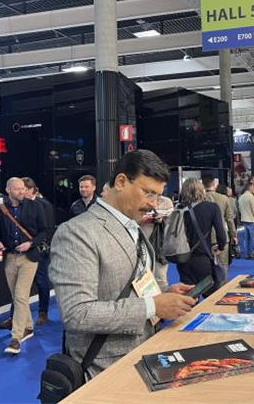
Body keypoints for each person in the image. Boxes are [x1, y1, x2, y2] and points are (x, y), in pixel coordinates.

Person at [50, 150, 195, 376]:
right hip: (104, 367)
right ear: (121, 182)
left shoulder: (133, 226)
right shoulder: (76, 232)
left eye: (158, 196)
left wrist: (163, 294)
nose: (153, 204)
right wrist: (153, 306)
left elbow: (130, 284)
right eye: (148, 193)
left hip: (146, 354)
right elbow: (77, 313)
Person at [0, 177, 48, 354]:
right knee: (17, 297)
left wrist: (30, 244)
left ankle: (16, 338)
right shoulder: (0, 209)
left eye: (23, 188)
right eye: (17, 189)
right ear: (8, 190)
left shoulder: (35, 206)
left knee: (21, 296)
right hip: (9, 258)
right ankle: (29, 327)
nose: (21, 191)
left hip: (29, 258)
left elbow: (44, 231)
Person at [177, 178, 227, 296]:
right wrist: (220, 247)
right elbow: (221, 234)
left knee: (189, 298)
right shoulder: (212, 207)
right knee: (211, 297)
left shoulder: (179, 209)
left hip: (183, 259)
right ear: (201, 190)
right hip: (204, 258)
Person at [22, 177, 54, 326]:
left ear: (32, 190)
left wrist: (39, 245)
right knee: (20, 285)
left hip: (40, 250)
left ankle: (43, 312)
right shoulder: (20, 204)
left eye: (23, 189)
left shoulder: (44, 205)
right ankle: (15, 315)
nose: (21, 192)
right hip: (23, 250)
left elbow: (48, 229)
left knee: (41, 281)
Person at [203, 175, 236, 276]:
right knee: (223, 264)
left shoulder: (200, 198)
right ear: (214, 185)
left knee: (205, 265)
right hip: (222, 235)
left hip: (204, 237)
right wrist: (233, 235)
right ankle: (223, 284)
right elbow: (229, 219)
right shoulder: (224, 198)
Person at [140, 194, 174, 290]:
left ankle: (162, 298)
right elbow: (132, 221)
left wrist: (162, 220)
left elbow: (172, 223)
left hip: (160, 246)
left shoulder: (166, 202)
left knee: (161, 279)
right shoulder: (141, 200)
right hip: (143, 246)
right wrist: (141, 220)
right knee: (143, 280)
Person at [238, 182, 254, 260]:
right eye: (253, 187)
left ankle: (247, 254)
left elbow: (240, 209)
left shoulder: (241, 197)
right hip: (251, 220)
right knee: (253, 239)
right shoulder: (251, 197)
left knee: (246, 238)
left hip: (244, 219)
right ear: (250, 187)